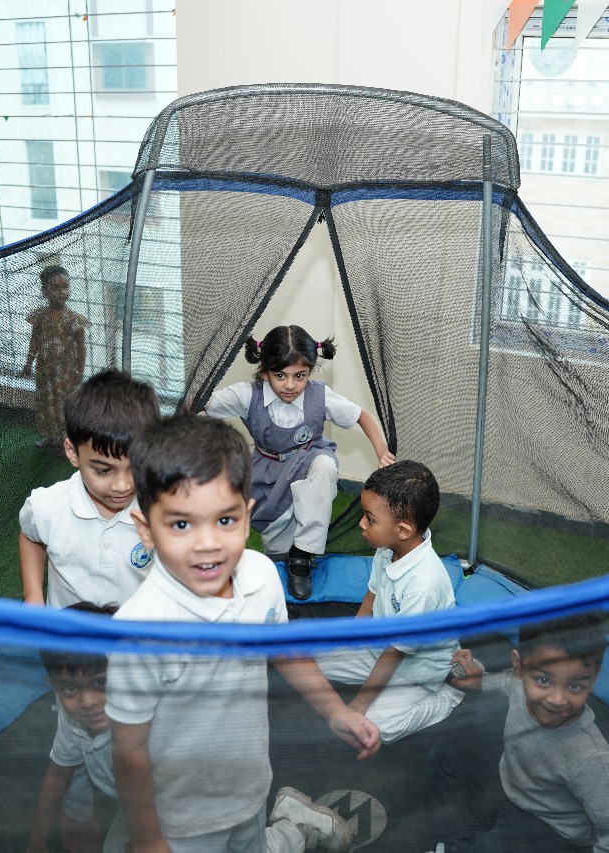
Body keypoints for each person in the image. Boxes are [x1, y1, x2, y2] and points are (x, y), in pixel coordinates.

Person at [108, 414, 382, 853]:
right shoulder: (138, 631)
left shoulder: (259, 575)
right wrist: (147, 837)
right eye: (181, 524)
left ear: (247, 514)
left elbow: (284, 650)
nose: (208, 544)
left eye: (225, 520)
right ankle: (293, 828)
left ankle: (290, 825)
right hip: (180, 817)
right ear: (146, 528)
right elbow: (129, 749)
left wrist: (335, 710)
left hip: (251, 788)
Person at [204, 325, 394, 600]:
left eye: (299, 375)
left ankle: (303, 555)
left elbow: (362, 415)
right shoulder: (247, 395)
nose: (291, 385)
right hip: (268, 473)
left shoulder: (319, 395)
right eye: (280, 375)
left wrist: (382, 452)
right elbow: (202, 403)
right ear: (265, 371)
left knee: (325, 466)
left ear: (310, 371)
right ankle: (289, 553)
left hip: (309, 458)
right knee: (278, 550)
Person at [429, 614, 609, 853]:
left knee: (494, 847)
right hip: (512, 784)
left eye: (574, 685)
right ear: (519, 666)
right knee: (446, 754)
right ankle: (455, 843)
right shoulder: (521, 684)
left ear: (593, 678)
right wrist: (480, 681)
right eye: (544, 680)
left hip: (548, 827)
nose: (557, 699)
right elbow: (508, 682)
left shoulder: (590, 757)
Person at [314, 460, 464, 743]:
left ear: (403, 530)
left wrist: (360, 704)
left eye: (370, 519)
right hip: (377, 649)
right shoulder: (387, 549)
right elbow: (371, 596)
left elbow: (395, 653)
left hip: (416, 671)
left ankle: (448, 697)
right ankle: (373, 682)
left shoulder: (424, 585)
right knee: (313, 663)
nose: (361, 524)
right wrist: (348, 641)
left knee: (375, 727)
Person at [19, 368, 160, 609]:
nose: (123, 485)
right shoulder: (46, 506)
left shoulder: (163, 508)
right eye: (104, 470)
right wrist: (32, 595)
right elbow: (31, 536)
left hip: (136, 629)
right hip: (66, 630)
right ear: (73, 453)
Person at [27, 602, 128, 853]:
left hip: (180, 805)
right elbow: (57, 775)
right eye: (70, 688)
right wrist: (37, 842)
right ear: (54, 685)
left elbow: (159, 803)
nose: (88, 701)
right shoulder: (72, 717)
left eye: (101, 682)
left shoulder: (140, 724)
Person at [21, 264, 90, 447]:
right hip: (45, 372)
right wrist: (28, 362)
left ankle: (65, 440)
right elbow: (35, 340)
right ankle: (51, 436)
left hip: (66, 374)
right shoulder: (40, 316)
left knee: (63, 406)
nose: (61, 292)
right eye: (55, 288)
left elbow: (81, 348)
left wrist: (79, 372)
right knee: (47, 404)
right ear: (44, 291)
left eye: (65, 287)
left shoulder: (74, 319)